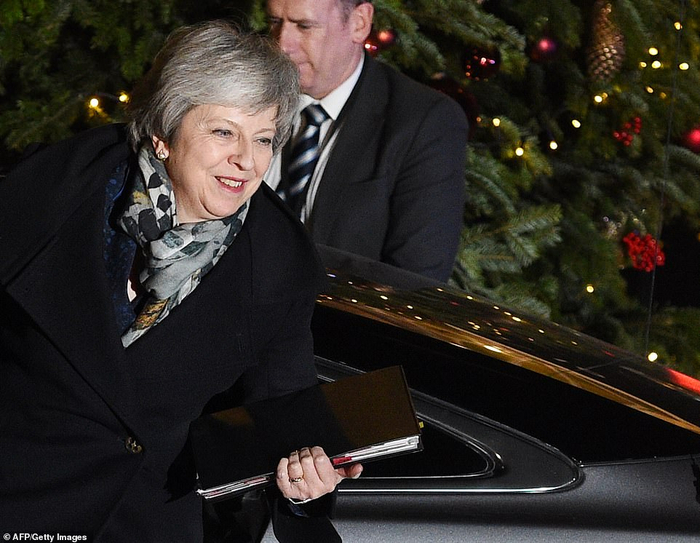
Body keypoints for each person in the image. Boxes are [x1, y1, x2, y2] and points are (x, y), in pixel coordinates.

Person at [0, 21, 360, 542]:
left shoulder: (278, 262)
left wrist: (307, 487)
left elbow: (284, 416)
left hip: (141, 524)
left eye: (263, 139)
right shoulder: (49, 196)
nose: (247, 160)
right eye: (224, 132)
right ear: (164, 134)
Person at [265, 0, 469, 283]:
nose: (282, 45)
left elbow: (415, 281)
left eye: (304, 26)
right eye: (274, 22)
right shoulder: (244, 94)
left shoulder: (424, 122)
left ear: (359, 23)